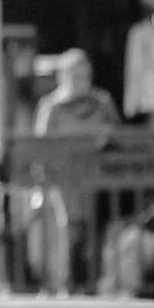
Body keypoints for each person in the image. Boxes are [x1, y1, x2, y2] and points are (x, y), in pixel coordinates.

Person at [28, 48, 120, 294]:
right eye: (74, 75)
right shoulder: (51, 106)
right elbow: (41, 144)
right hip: (61, 178)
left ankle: (91, 283)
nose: (80, 81)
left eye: (84, 75)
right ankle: (65, 284)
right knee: (68, 228)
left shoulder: (101, 101)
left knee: (93, 230)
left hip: (94, 175)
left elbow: (114, 134)